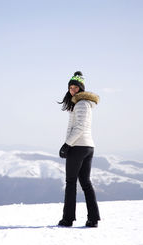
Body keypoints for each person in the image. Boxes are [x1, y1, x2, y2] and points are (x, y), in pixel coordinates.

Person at [58, 71, 101, 227]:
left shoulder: (82, 103)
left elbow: (80, 127)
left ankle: (68, 219)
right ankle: (93, 219)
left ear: (81, 88)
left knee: (71, 182)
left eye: (75, 87)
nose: (72, 90)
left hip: (78, 146)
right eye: (70, 87)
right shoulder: (81, 103)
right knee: (85, 182)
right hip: (87, 146)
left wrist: (67, 144)